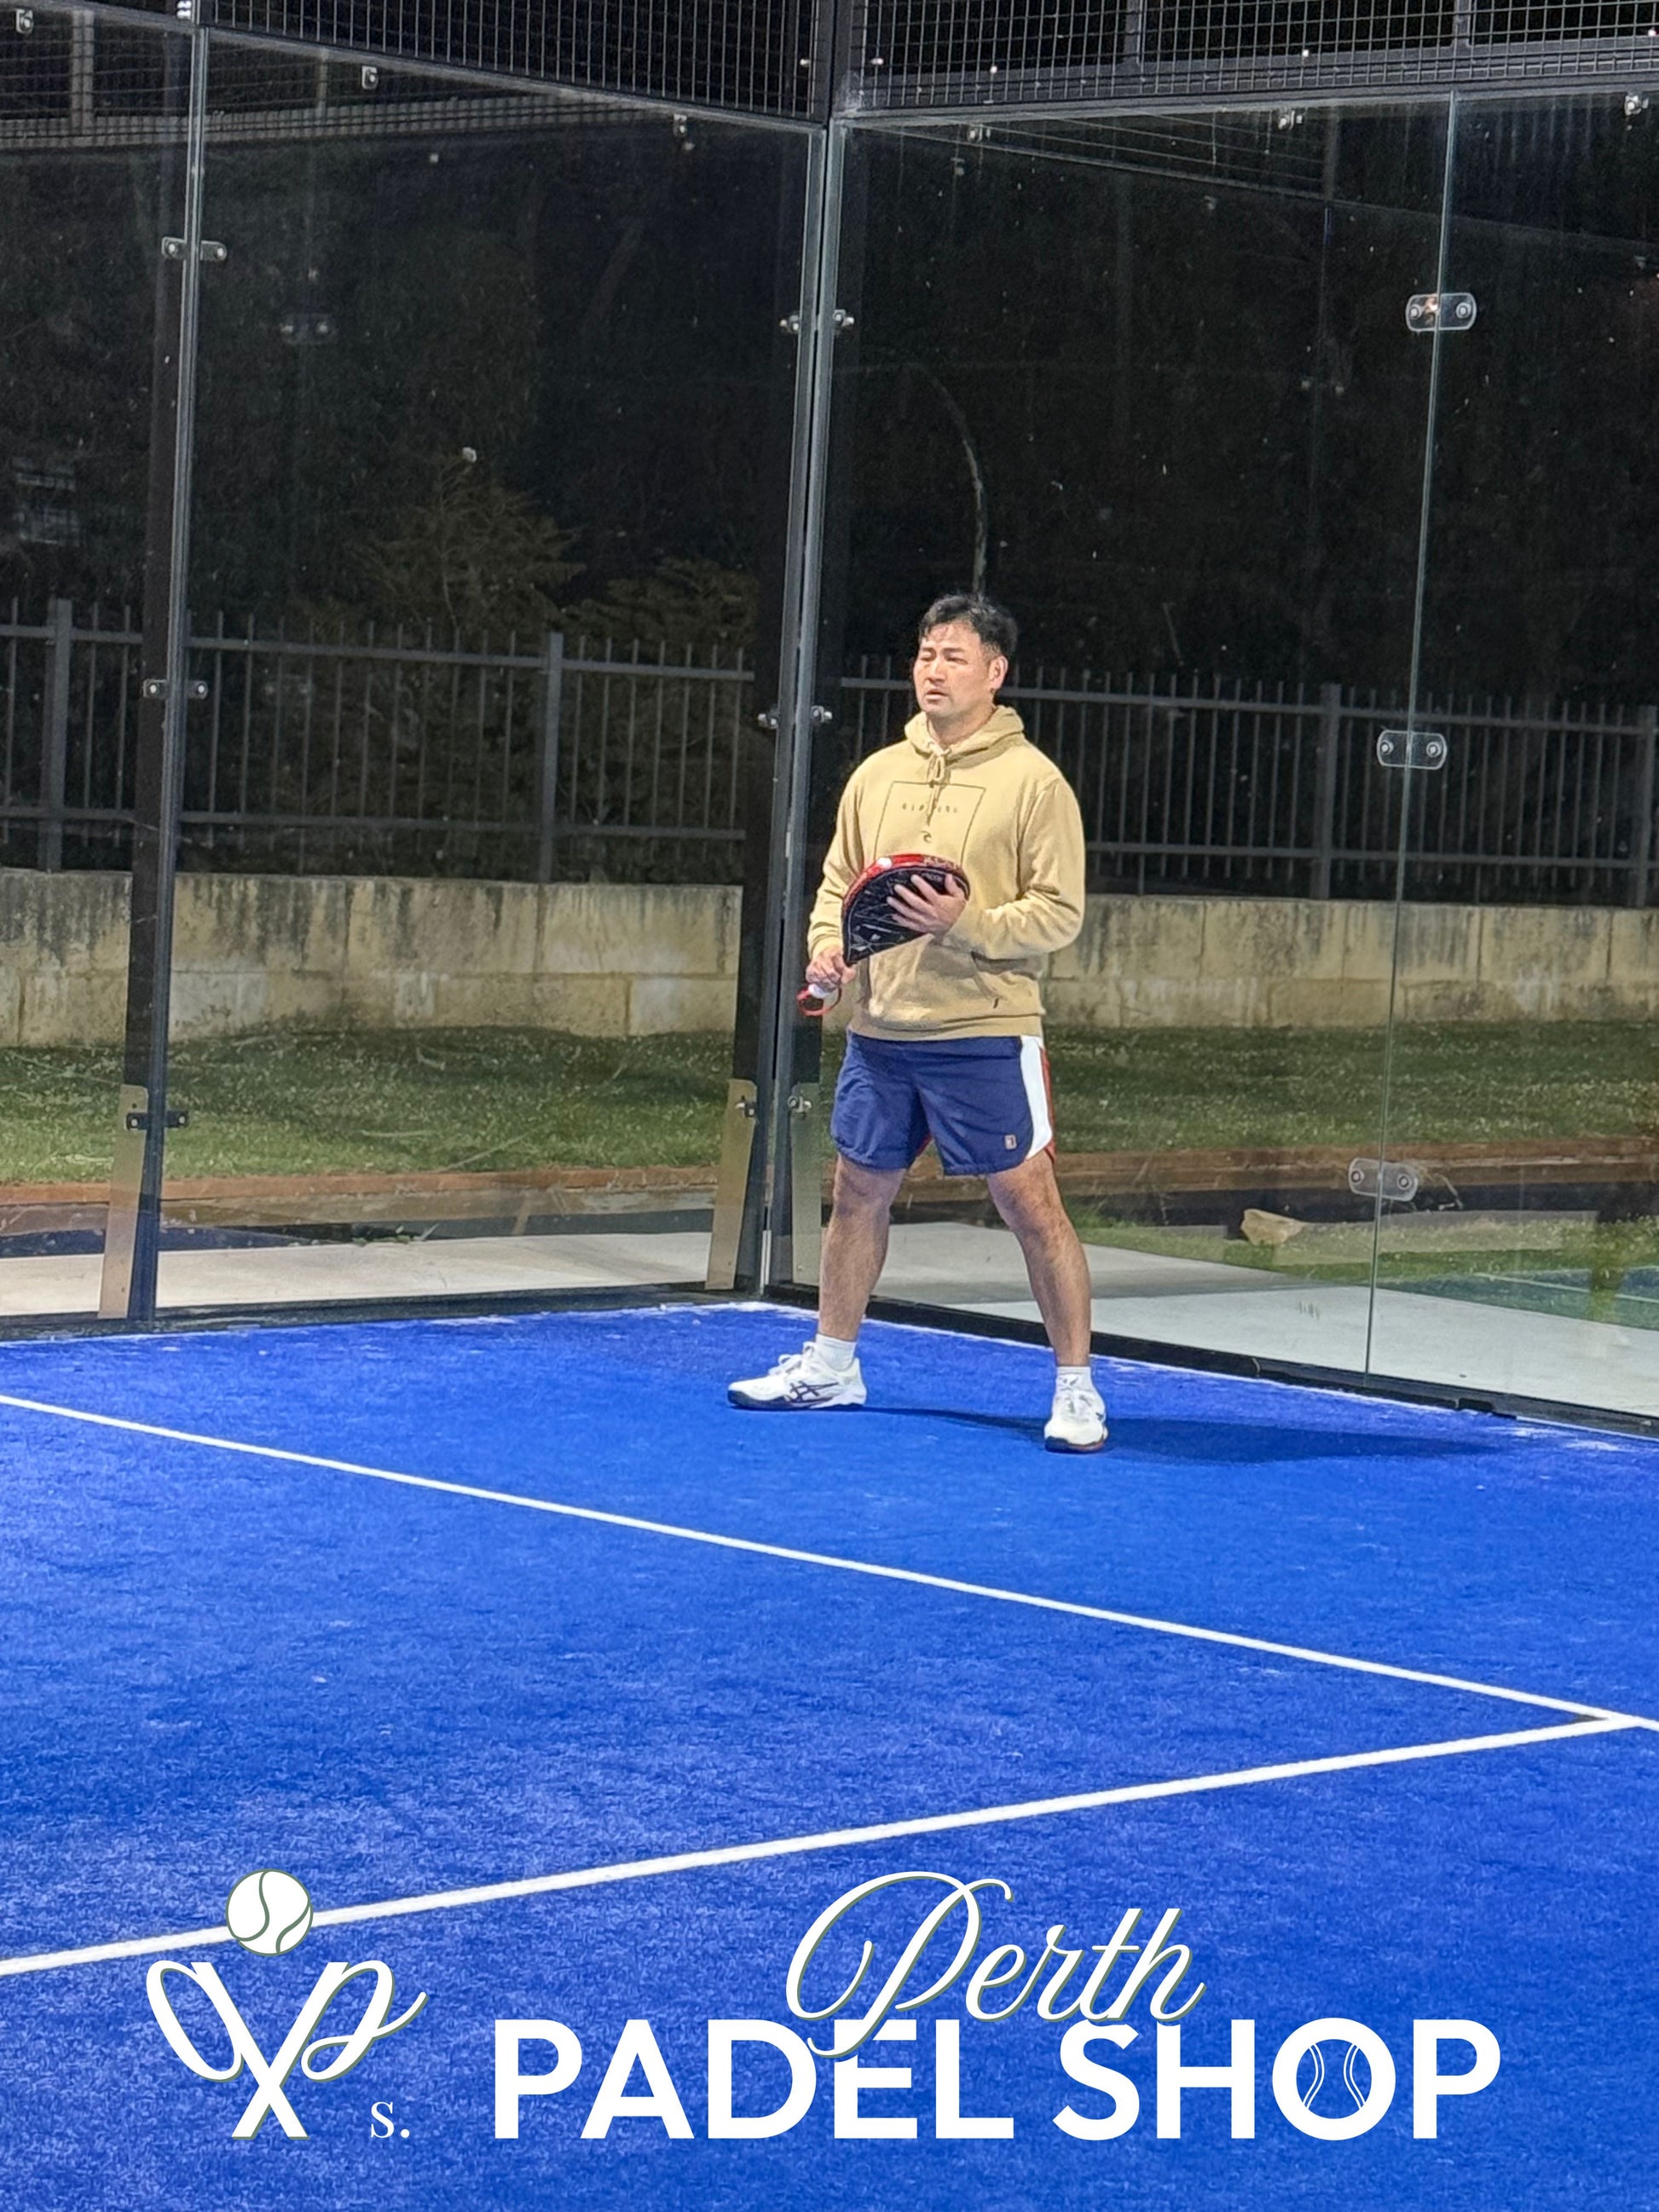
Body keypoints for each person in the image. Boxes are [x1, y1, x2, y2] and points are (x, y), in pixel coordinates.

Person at [729, 592, 1107, 1450]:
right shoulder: (876, 774)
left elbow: (1059, 912)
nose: (933, 671)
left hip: (984, 1031)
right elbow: (838, 886)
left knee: (1029, 1204)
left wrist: (963, 925)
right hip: (880, 1033)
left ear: (995, 673)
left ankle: (1076, 1389)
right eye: (926, 654)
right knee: (856, 1194)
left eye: (953, 657)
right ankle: (832, 1365)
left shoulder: (1034, 783)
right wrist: (829, 952)